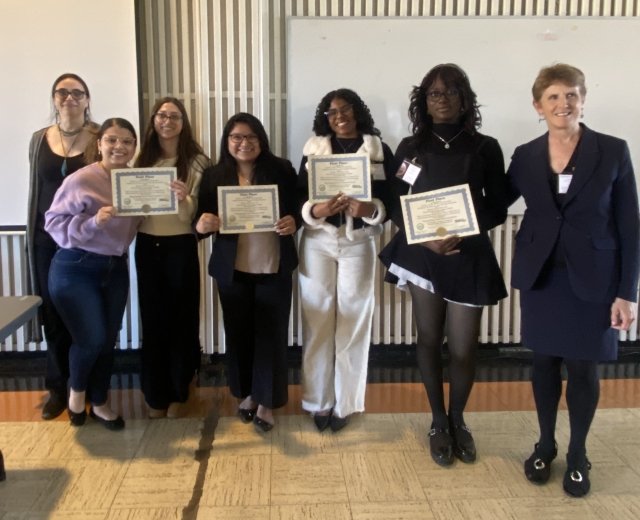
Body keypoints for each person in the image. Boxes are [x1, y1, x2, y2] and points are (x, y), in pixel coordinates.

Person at [507, 64, 639, 497]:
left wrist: (627, 293)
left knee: (583, 368)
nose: (563, 104)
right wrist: (442, 217)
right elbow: (492, 204)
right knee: (542, 363)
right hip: (542, 275)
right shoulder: (525, 155)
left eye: (571, 95)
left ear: (583, 99)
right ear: (537, 105)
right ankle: (545, 443)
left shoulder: (613, 150)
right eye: (553, 97)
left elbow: (629, 225)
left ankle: (579, 454)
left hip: (594, 279)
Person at [379, 64, 508, 465]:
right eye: (435, 93)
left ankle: (458, 419)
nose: (443, 99)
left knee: (465, 348)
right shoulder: (410, 147)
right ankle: (437, 421)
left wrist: (467, 230)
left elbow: (499, 206)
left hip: (468, 255)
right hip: (423, 254)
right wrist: (426, 237)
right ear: (424, 100)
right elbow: (397, 203)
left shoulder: (485, 146)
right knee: (429, 339)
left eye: (451, 92)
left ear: (465, 98)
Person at [194, 113, 299, 432]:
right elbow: (199, 222)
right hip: (233, 270)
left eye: (251, 137)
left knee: (271, 334)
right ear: (227, 142)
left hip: (273, 265)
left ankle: (267, 402)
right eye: (236, 137)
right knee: (238, 334)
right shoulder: (214, 175)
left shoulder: (281, 169)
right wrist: (203, 225)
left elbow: (298, 209)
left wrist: (294, 221)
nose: (244, 143)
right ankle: (247, 394)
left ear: (262, 141)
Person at [297, 88, 394, 432]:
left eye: (346, 110)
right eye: (332, 111)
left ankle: (346, 402)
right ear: (325, 116)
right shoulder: (313, 149)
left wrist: (370, 210)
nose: (339, 116)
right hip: (318, 242)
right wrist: (317, 210)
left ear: (358, 113)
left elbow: (392, 202)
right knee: (317, 318)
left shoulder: (379, 151)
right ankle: (318, 400)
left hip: (359, 243)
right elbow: (299, 198)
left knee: (354, 320)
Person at [45, 118, 142, 431]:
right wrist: (92, 223)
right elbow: (52, 223)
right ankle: (77, 393)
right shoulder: (81, 179)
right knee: (92, 338)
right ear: (98, 144)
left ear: (134, 147)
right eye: (112, 140)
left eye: (127, 141)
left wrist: (175, 197)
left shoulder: (134, 181)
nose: (119, 147)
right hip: (76, 267)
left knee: (107, 340)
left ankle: (99, 401)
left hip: (115, 269)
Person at [26, 73, 99, 420]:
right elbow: (35, 191)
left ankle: (84, 388)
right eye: (62, 92)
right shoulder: (39, 140)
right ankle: (58, 387)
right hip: (45, 241)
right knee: (53, 316)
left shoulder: (99, 138)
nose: (69, 98)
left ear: (87, 99)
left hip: (85, 242)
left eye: (77, 93)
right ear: (54, 99)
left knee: (86, 318)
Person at [134, 97, 211, 418]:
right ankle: (155, 394)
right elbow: (133, 209)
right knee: (152, 322)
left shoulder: (197, 162)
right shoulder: (141, 159)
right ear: (153, 120)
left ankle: (180, 390)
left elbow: (194, 218)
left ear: (184, 122)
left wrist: (185, 198)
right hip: (146, 245)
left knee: (181, 320)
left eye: (174, 116)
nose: (167, 121)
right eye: (162, 115)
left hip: (180, 245)